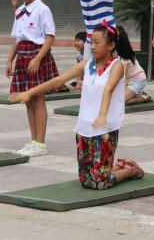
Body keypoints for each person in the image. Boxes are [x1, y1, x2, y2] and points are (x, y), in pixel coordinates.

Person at [12, 23, 144, 189]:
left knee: (100, 183)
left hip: (105, 129)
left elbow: (108, 90)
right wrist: (30, 93)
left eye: (97, 43)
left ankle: (130, 170)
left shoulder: (116, 65)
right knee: (85, 180)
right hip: (84, 128)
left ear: (111, 45)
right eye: (91, 42)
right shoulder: (87, 64)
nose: (93, 46)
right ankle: (119, 166)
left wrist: (102, 114)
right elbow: (59, 80)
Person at [6, 0, 58, 158]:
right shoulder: (20, 11)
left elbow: (50, 37)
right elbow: (18, 38)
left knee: (38, 99)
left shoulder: (43, 9)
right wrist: (9, 60)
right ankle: (34, 140)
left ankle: (40, 143)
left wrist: (38, 58)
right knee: (27, 100)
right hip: (22, 56)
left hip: (37, 55)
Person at [118, 27, 151, 104]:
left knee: (121, 101)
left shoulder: (125, 55)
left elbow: (123, 76)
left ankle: (144, 97)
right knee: (117, 100)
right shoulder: (114, 53)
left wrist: (122, 92)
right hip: (129, 81)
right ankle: (135, 93)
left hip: (138, 80)